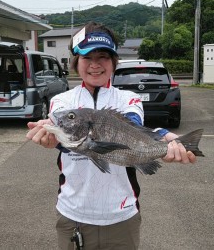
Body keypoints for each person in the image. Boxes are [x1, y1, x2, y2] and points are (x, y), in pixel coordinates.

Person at [26, 21, 196, 250]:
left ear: (114, 62)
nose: (95, 65)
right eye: (87, 57)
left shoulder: (128, 99)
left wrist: (165, 139)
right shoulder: (63, 102)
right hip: (73, 215)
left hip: (122, 217)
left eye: (103, 57)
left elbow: (134, 129)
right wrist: (52, 139)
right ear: (76, 62)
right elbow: (64, 138)